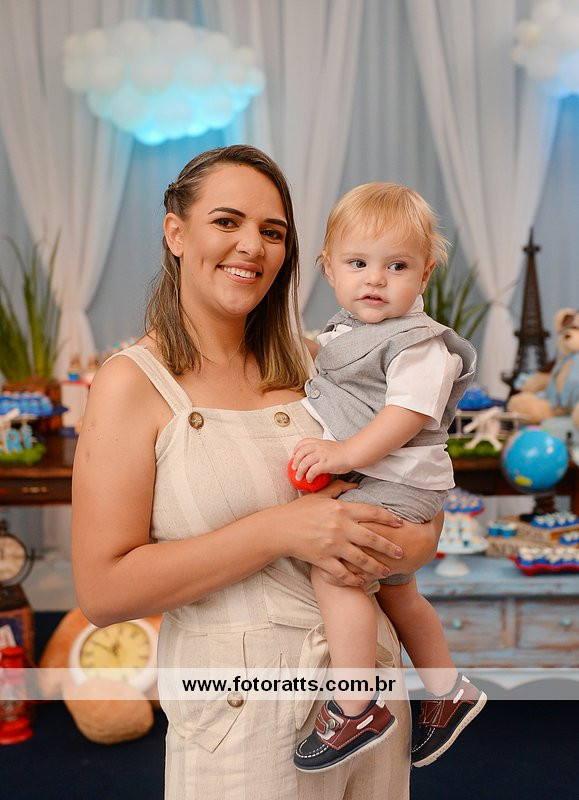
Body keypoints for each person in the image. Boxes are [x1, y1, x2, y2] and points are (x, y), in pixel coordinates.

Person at [72, 145, 442, 800]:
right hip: (242, 720)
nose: (251, 246)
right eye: (226, 221)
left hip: (365, 702)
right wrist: (280, 530)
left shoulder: (323, 363)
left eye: (273, 231)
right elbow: (103, 592)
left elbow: (418, 502)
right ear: (175, 232)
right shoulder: (132, 383)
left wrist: (408, 544)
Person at [291, 183, 486, 773]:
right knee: (400, 591)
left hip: (401, 485)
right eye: (358, 263)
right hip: (385, 483)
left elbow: (406, 415)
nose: (375, 279)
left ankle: (355, 706)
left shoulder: (419, 345)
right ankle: (448, 690)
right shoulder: (343, 331)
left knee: (337, 572)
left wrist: (342, 453)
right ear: (328, 268)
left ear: (424, 274)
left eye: (397, 266)